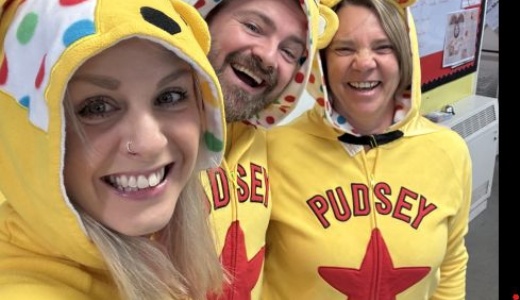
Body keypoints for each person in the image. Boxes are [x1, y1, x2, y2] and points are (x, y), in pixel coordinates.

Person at [0, 1, 227, 299]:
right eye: (97, 107)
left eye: (170, 96)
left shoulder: (159, 238)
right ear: (30, 136)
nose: (150, 143)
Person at [262, 0, 473, 299]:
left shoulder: (449, 151)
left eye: (383, 47)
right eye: (344, 49)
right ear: (321, 63)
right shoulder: (273, 149)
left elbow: (451, 263)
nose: (363, 63)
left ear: (405, 56)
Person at [182, 0, 338, 299]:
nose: (268, 57)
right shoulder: (138, 145)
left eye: (289, 52)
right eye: (253, 27)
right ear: (204, 18)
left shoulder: (264, 147)